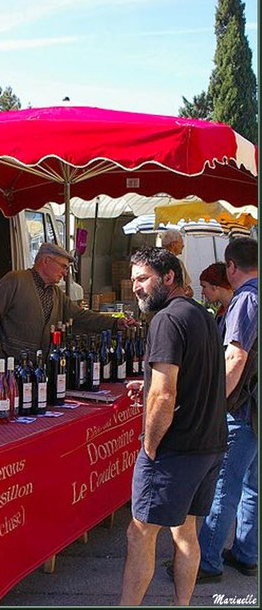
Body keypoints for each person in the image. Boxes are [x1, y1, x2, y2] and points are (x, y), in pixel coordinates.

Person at [119, 247, 227, 606]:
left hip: (175, 450)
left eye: (143, 278)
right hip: (208, 445)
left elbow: (164, 396)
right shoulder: (201, 314)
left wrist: (149, 449)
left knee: (140, 534)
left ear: (168, 278)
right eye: (133, 279)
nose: (135, 287)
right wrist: (147, 384)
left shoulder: (166, 320)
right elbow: (194, 376)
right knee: (186, 532)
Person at [198, 237, 258, 581]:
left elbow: (235, 357)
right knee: (251, 485)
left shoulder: (246, 298)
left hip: (241, 408)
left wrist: (213, 404)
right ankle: (246, 552)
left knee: (225, 486)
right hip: (254, 406)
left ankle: (207, 562)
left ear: (231, 267)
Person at [0, 242, 134, 361]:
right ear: (46, 261)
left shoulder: (56, 293)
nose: (65, 273)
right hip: (12, 365)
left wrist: (114, 324)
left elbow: (81, 316)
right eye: (63, 267)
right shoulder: (15, 281)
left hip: (39, 368)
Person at [160, 229, 193, 297]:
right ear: (173, 245)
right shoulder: (177, 263)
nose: (183, 245)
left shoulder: (154, 262)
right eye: (181, 242)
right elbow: (188, 291)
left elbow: (188, 289)